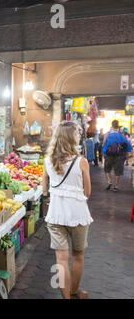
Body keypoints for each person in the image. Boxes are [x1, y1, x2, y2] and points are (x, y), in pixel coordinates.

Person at [42, 121, 93, 300]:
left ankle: (66, 298)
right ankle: (74, 293)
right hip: (77, 216)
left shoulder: (47, 161)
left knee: (61, 259)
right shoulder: (82, 162)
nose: (79, 137)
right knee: (77, 255)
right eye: (77, 134)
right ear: (72, 139)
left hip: (55, 215)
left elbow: (44, 189)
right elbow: (87, 193)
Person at [102, 120, 132, 191]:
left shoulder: (108, 135)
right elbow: (127, 144)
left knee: (107, 169)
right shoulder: (121, 136)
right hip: (119, 156)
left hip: (109, 155)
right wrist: (127, 153)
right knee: (117, 171)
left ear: (112, 127)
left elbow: (105, 145)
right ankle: (115, 186)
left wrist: (104, 153)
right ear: (118, 127)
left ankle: (109, 181)